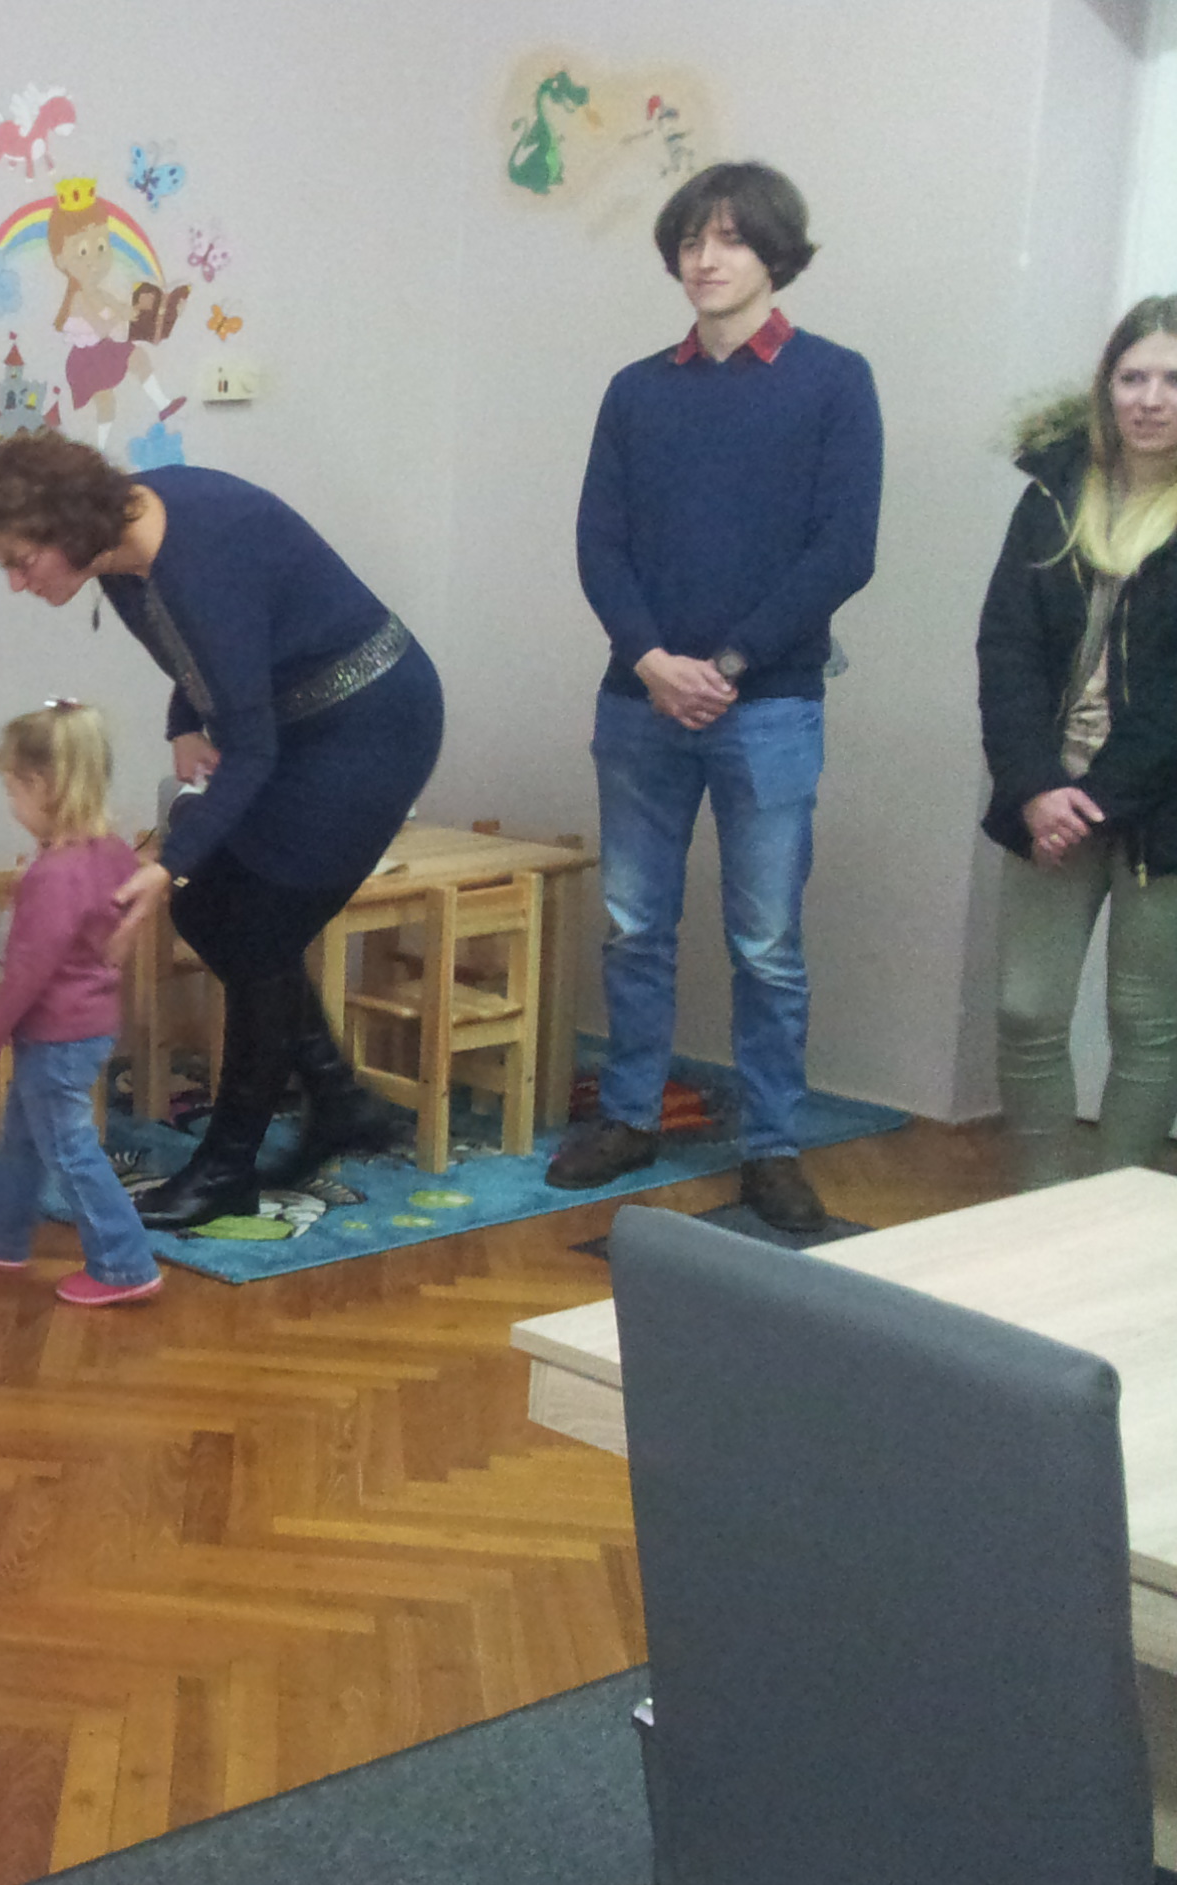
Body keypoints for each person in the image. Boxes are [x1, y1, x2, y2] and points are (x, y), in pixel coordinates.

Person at [0, 430, 444, 1230]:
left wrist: (167, 864)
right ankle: (338, 1098)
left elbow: (246, 736)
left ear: (67, 528)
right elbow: (210, 655)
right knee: (212, 909)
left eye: (20, 560)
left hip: (372, 725)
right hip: (292, 722)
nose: (15, 582)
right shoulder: (122, 546)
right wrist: (185, 717)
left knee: (257, 929)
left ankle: (228, 1169)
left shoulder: (196, 562)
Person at [552, 160, 883, 1231]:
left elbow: (844, 550)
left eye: (731, 239)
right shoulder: (637, 390)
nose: (707, 259)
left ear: (774, 255)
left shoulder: (835, 381)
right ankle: (631, 1114)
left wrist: (729, 665)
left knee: (767, 943)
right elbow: (600, 545)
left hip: (771, 705)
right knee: (633, 925)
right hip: (638, 700)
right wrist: (653, 660)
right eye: (692, 241)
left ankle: (773, 1145)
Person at [977, 296, 1177, 1191]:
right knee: (1027, 1009)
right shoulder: (1052, 497)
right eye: (1133, 377)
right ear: (1106, 389)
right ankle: (1041, 1208)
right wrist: (1033, 785)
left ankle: (1114, 1217)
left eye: (1173, 380)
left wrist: (1093, 800)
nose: (1151, 399)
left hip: (1159, 808)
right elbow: (1008, 647)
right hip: (1048, 794)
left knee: (1146, 1020)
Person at [0, 700, 161, 1305]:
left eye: (13, 789)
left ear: (42, 786)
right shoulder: (114, 852)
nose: (11, 803)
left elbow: (25, 977)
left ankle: (124, 1263)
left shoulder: (53, 876)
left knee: (68, 1148)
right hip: (89, 1024)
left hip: (57, 1035)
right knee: (25, 1135)